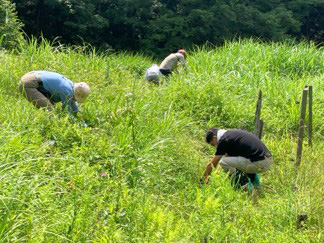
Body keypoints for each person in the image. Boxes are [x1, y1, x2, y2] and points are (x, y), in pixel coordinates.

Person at [202, 128, 273, 191]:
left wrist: (202, 180)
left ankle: (244, 189)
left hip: (259, 162)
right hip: (267, 160)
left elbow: (213, 164)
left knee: (224, 162)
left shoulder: (224, 140)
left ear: (215, 138)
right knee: (236, 163)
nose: (215, 146)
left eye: (213, 144)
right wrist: (213, 177)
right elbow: (228, 160)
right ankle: (257, 189)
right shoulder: (232, 135)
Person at [18, 71, 90, 126]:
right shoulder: (66, 91)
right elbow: (67, 111)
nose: (75, 100)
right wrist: (75, 125)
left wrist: (81, 119)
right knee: (49, 108)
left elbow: (74, 105)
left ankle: (48, 125)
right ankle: (50, 128)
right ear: (75, 94)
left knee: (52, 106)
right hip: (28, 84)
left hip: (31, 78)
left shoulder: (70, 86)